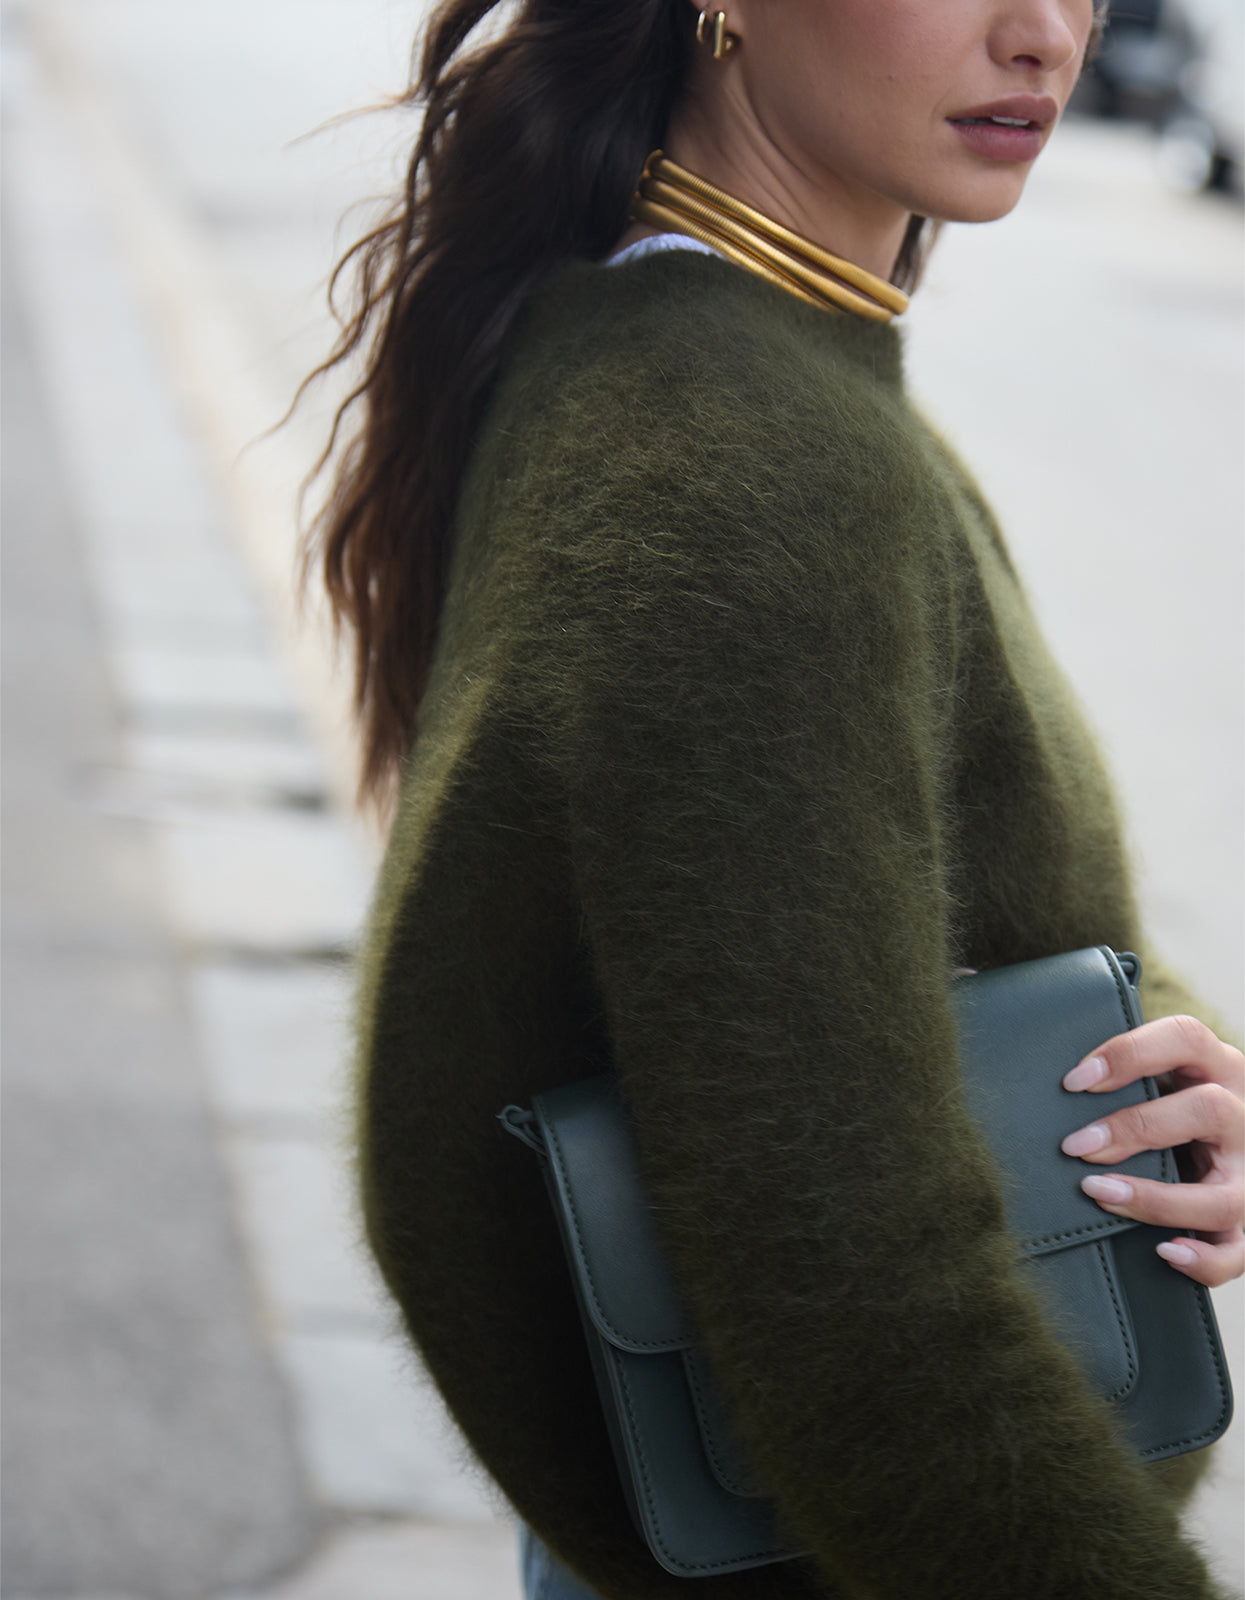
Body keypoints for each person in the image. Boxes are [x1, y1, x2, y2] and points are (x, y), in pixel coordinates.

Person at [301, 0, 1244, 1594]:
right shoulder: (747, 462)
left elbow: (867, 929)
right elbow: (859, 1303)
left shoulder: (677, 336)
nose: (1045, 36)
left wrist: (1173, 1044)